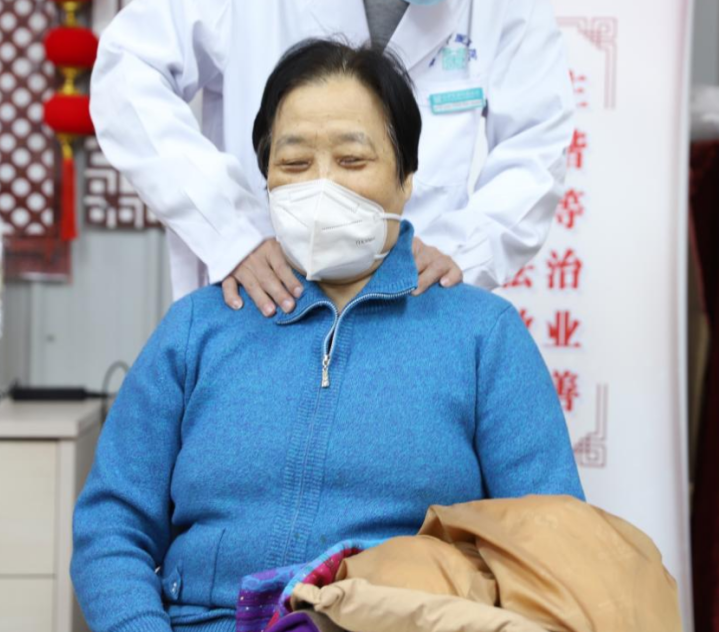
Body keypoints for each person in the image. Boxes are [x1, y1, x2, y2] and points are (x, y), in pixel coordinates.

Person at [71, 40, 583, 632]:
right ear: (265, 180)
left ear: (406, 178)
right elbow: (111, 528)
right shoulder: (195, 329)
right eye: (294, 163)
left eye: (352, 159)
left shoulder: (482, 337)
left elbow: (552, 546)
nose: (322, 185)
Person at [91, 0, 574, 313]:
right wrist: (229, 229)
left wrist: (466, 249)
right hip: (266, 297)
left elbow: (537, 143)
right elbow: (128, 75)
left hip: (416, 306)